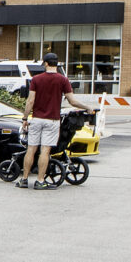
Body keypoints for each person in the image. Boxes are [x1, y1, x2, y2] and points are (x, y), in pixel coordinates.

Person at [17, 52, 99, 188]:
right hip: (52, 120)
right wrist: (87, 107)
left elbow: (30, 101)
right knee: (45, 150)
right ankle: (40, 181)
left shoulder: (36, 79)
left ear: (46, 63)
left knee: (31, 149)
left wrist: (25, 117)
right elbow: (72, 101)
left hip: (36, 119)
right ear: (57, 64)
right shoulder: (63, 80)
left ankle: (24, 180)